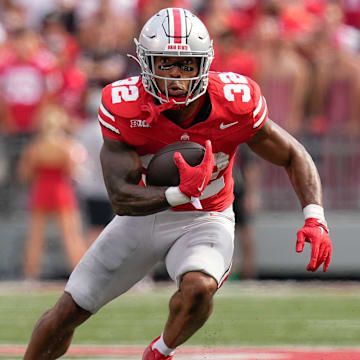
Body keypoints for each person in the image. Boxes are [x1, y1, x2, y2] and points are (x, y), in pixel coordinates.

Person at [24, 8, 332, 360]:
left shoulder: (235, 101)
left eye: (186, 65)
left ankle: (160, 351)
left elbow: (292, 153)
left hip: (206, 217)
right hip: (141, 217)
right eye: (165, 62)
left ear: (204, 65)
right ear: (145, 61)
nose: (175, 75)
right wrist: (179, 192)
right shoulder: (124, 104)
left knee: (199, 288)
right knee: (68, 311)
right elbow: (121, 196)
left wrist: (314, 216)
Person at [17, 105, 87, 280]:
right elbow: (74, 172)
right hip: (62, 191)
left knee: (35, 237)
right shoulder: (68, 147)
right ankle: (80, 274)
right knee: (71, 236)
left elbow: (24, 173)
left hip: (41, 190)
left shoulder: (35, 148)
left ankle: (30, 274)